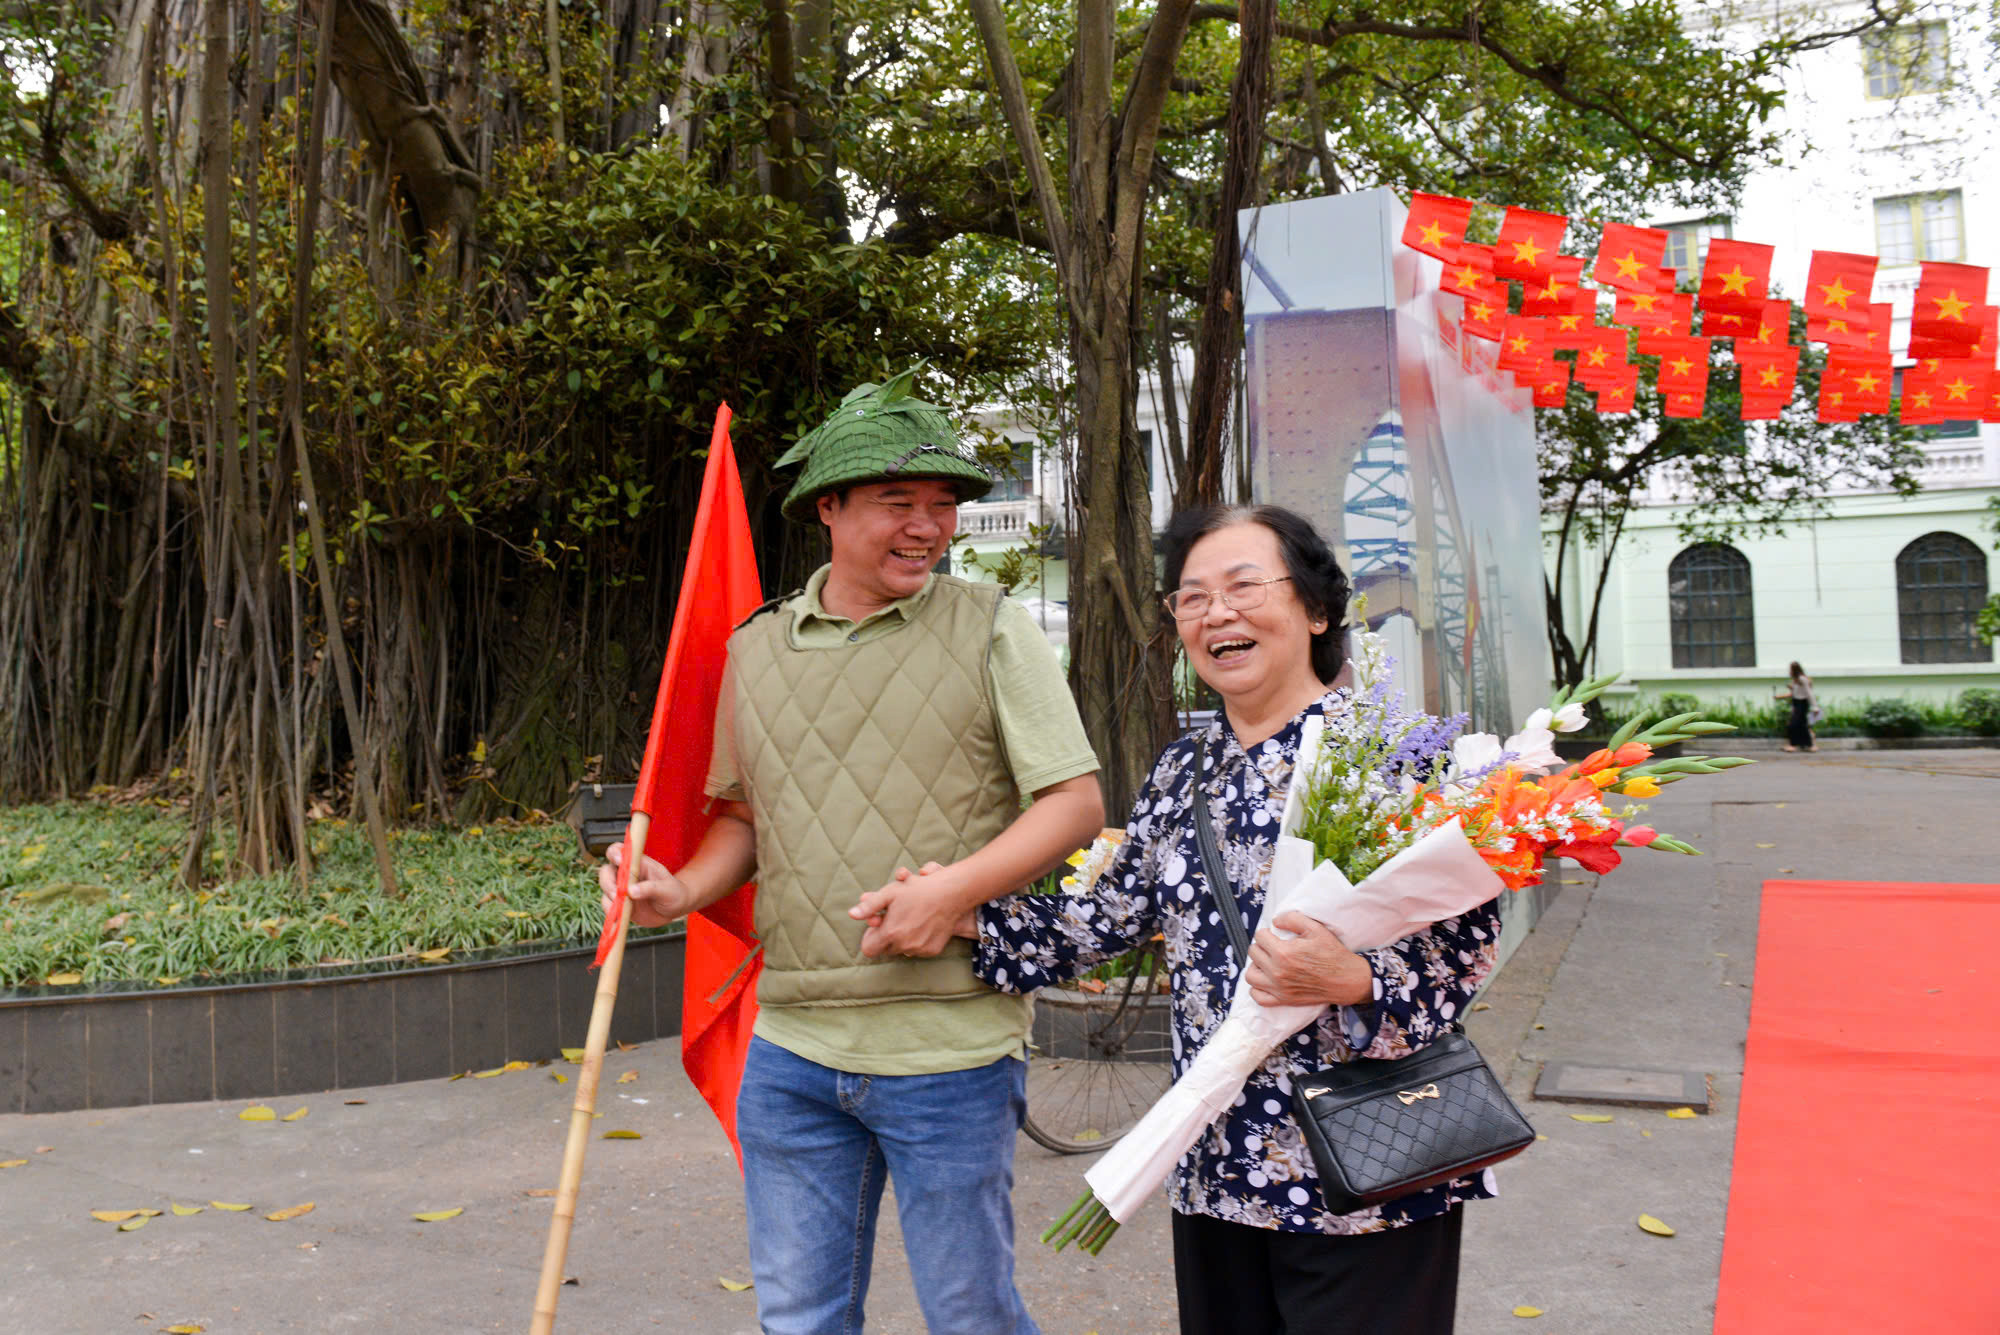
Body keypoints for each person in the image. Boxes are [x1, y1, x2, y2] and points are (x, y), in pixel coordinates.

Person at [909, 504, 1503, 1335]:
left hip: (1366, 1161)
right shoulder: (1184, 766)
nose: (1215, 612)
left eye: (1243, 586)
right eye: (1191, 597)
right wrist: (973, 915)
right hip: (1219, 1158)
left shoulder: (1396, 752)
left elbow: (1469, 943)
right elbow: (1108, 917)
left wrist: (1358, 979)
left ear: (1317, 610)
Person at [599, 369, 1104, 1335]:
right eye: (898, 503)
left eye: (944, 505)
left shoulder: (990, 624)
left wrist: (950, 889)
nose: (928, 526)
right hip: (790, 1046)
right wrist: (679, 889)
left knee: (971, 1315)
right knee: (797, 1318)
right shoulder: (756, 649)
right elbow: (746, 819)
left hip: (949, 1044)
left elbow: (1075, 802)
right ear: (827, 508)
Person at [1777, 661, 1817, 752]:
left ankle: (1793, 745)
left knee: (1793, 724)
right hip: (1797, 703)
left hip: (1802, 703)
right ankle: (1809, 745)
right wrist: (1781, 696)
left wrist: (1815, 707)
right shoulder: (1796, 680)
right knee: (1802, 725)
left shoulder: (1802, 679)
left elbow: (1809, 693)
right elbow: (1794, 694)